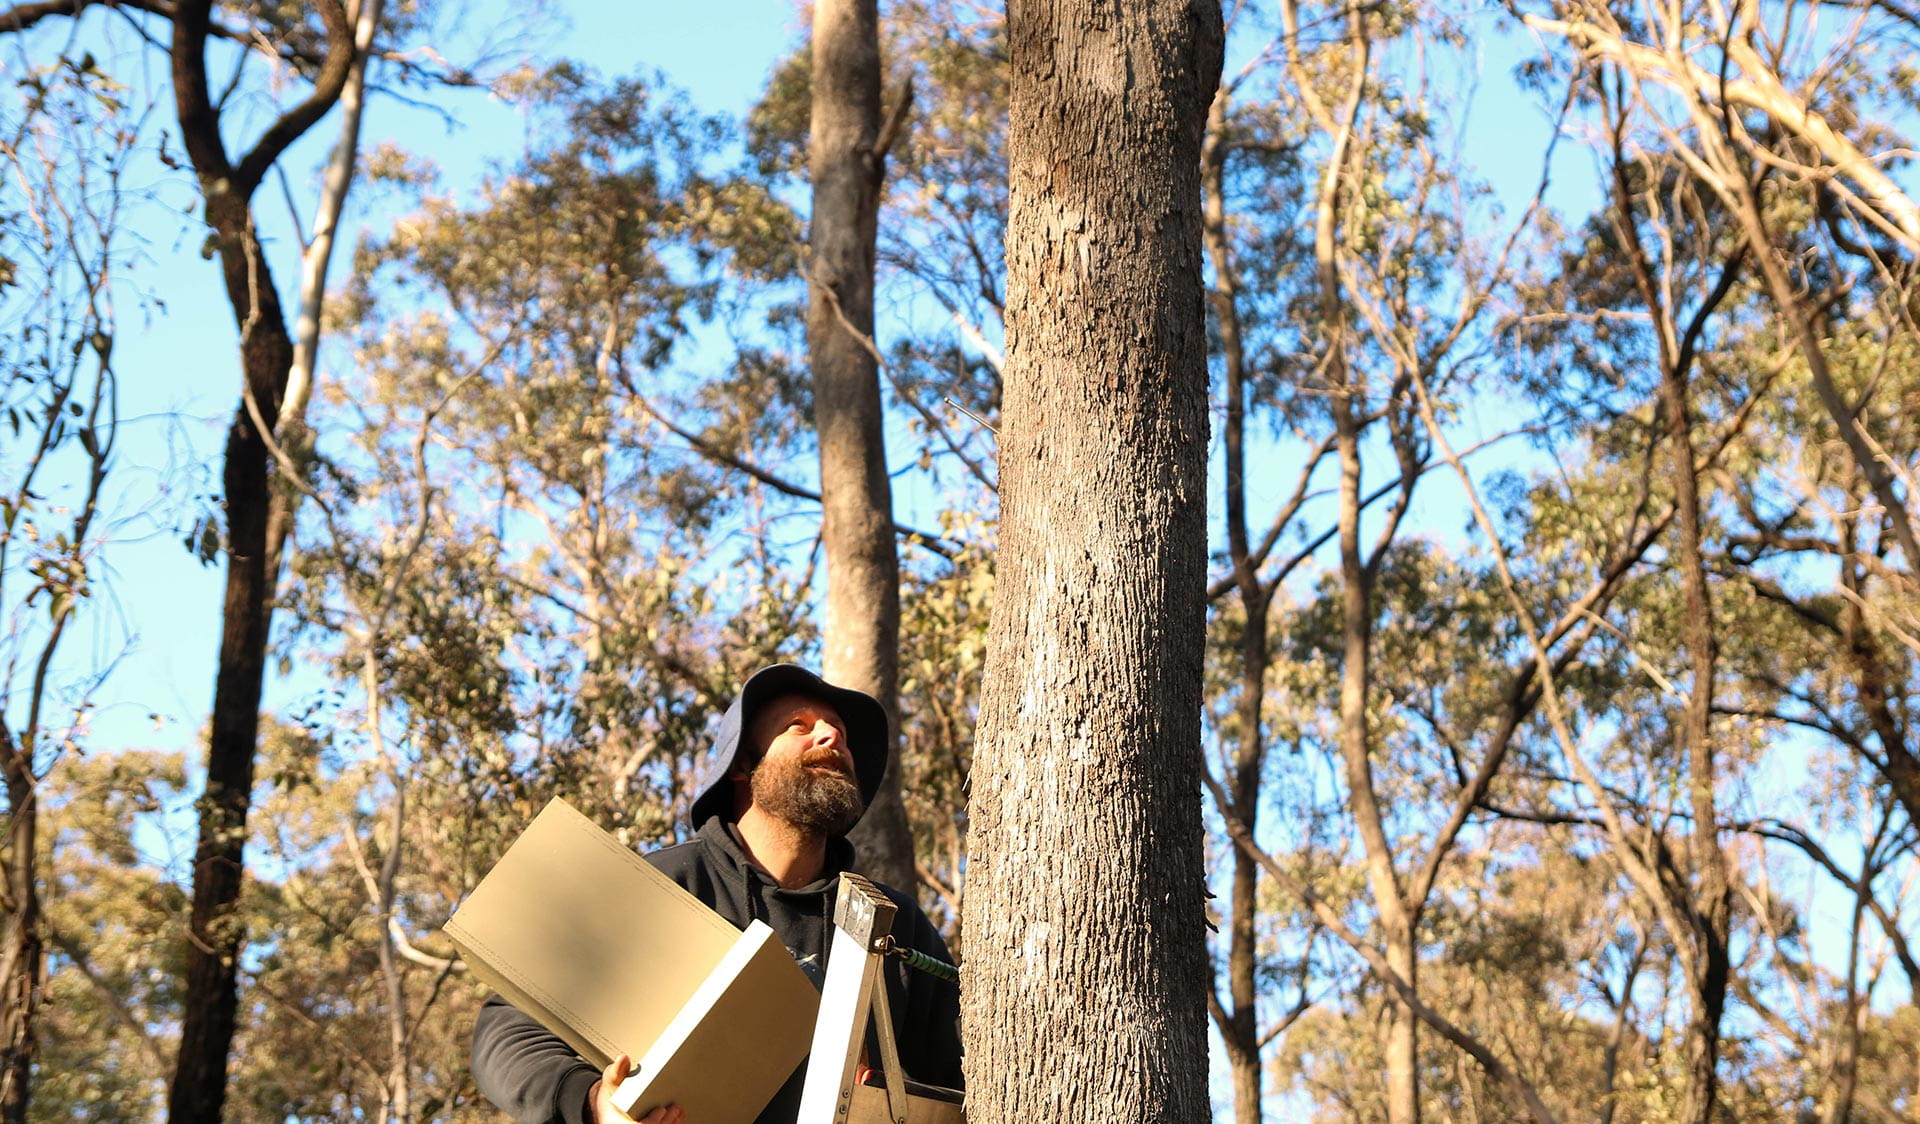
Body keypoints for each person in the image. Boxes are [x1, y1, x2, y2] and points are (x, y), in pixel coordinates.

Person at [471, 663, 964, 1124]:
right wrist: (595, 1103)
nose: (831, 735)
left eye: (841, 732)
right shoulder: (662, 885)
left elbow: (963, 1078)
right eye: (798, 725)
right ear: (741, 766)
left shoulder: (897, 924)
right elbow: (507, 1029)